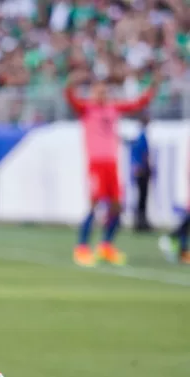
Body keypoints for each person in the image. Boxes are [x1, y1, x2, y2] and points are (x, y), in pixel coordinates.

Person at [67, 70, 157, 267]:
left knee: (117, 206)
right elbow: (70, 99)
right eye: (98, 91)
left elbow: (138, 104)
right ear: (92, 92)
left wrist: (152, 88)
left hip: (112, 164)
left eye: (104, 91)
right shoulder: (86, 108)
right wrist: (70, 83)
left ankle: (106, 246)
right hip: (96, 164)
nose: (102, 94)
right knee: (94, 203)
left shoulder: (113, 108)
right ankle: (81, 248)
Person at [130, 114, 152, 232]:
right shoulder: (141, 135)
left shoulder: (139, 135)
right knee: (142, 196)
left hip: (140, 169)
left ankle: (141, 221)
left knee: (141, 196)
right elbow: (143, 154)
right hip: (141, 169)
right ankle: (140, 222)